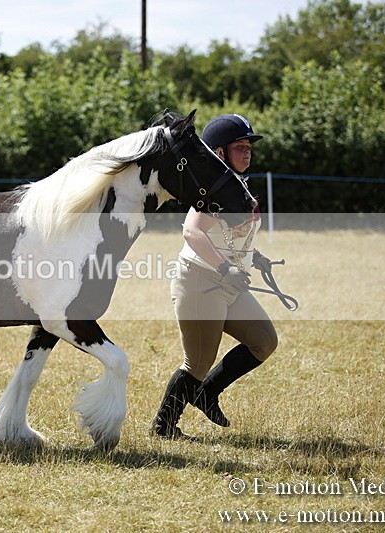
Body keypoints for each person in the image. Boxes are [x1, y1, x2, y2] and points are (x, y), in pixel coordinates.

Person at [152, 114, 279, 439]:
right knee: (197, 362)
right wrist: (225, 268)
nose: (247, 152)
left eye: (248, 146)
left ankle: (206, 393)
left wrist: (255, 256)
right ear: (219, 153)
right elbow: (192, 233)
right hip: (201, 282)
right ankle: (163, 427)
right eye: (239, 147)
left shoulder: (238, 185)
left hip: (229, 283)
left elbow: (232, 235)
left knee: (264, 341)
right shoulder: (212, 187)